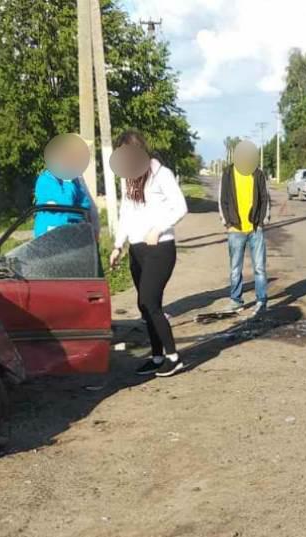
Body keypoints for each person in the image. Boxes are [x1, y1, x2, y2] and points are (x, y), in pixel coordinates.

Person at [109, 130, 189, 377]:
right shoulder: (129, 179)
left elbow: (180, 207)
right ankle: (156, 358)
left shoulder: (161, 174)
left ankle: (173, 357)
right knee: (145, 306)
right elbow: (126, 214)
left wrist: (158, 228)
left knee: (149, 302)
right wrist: (117, 245)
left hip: (160, 249)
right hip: (136, 249)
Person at [218, 140, 271, 317]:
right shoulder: (227, 173)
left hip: (255, 229)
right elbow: (222, 199)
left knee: (260, 268)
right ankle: (236, 301)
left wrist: (263, 221)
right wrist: (227, 222)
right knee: (235, 268)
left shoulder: (258, 174)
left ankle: (261, 301)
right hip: (235, 229)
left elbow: (265, 198)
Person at [33, 133, 97, 238]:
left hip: (74, 236)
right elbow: (65, 204)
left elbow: (86, 206)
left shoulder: (75, 180)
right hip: (51, 240)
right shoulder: (46, 180)